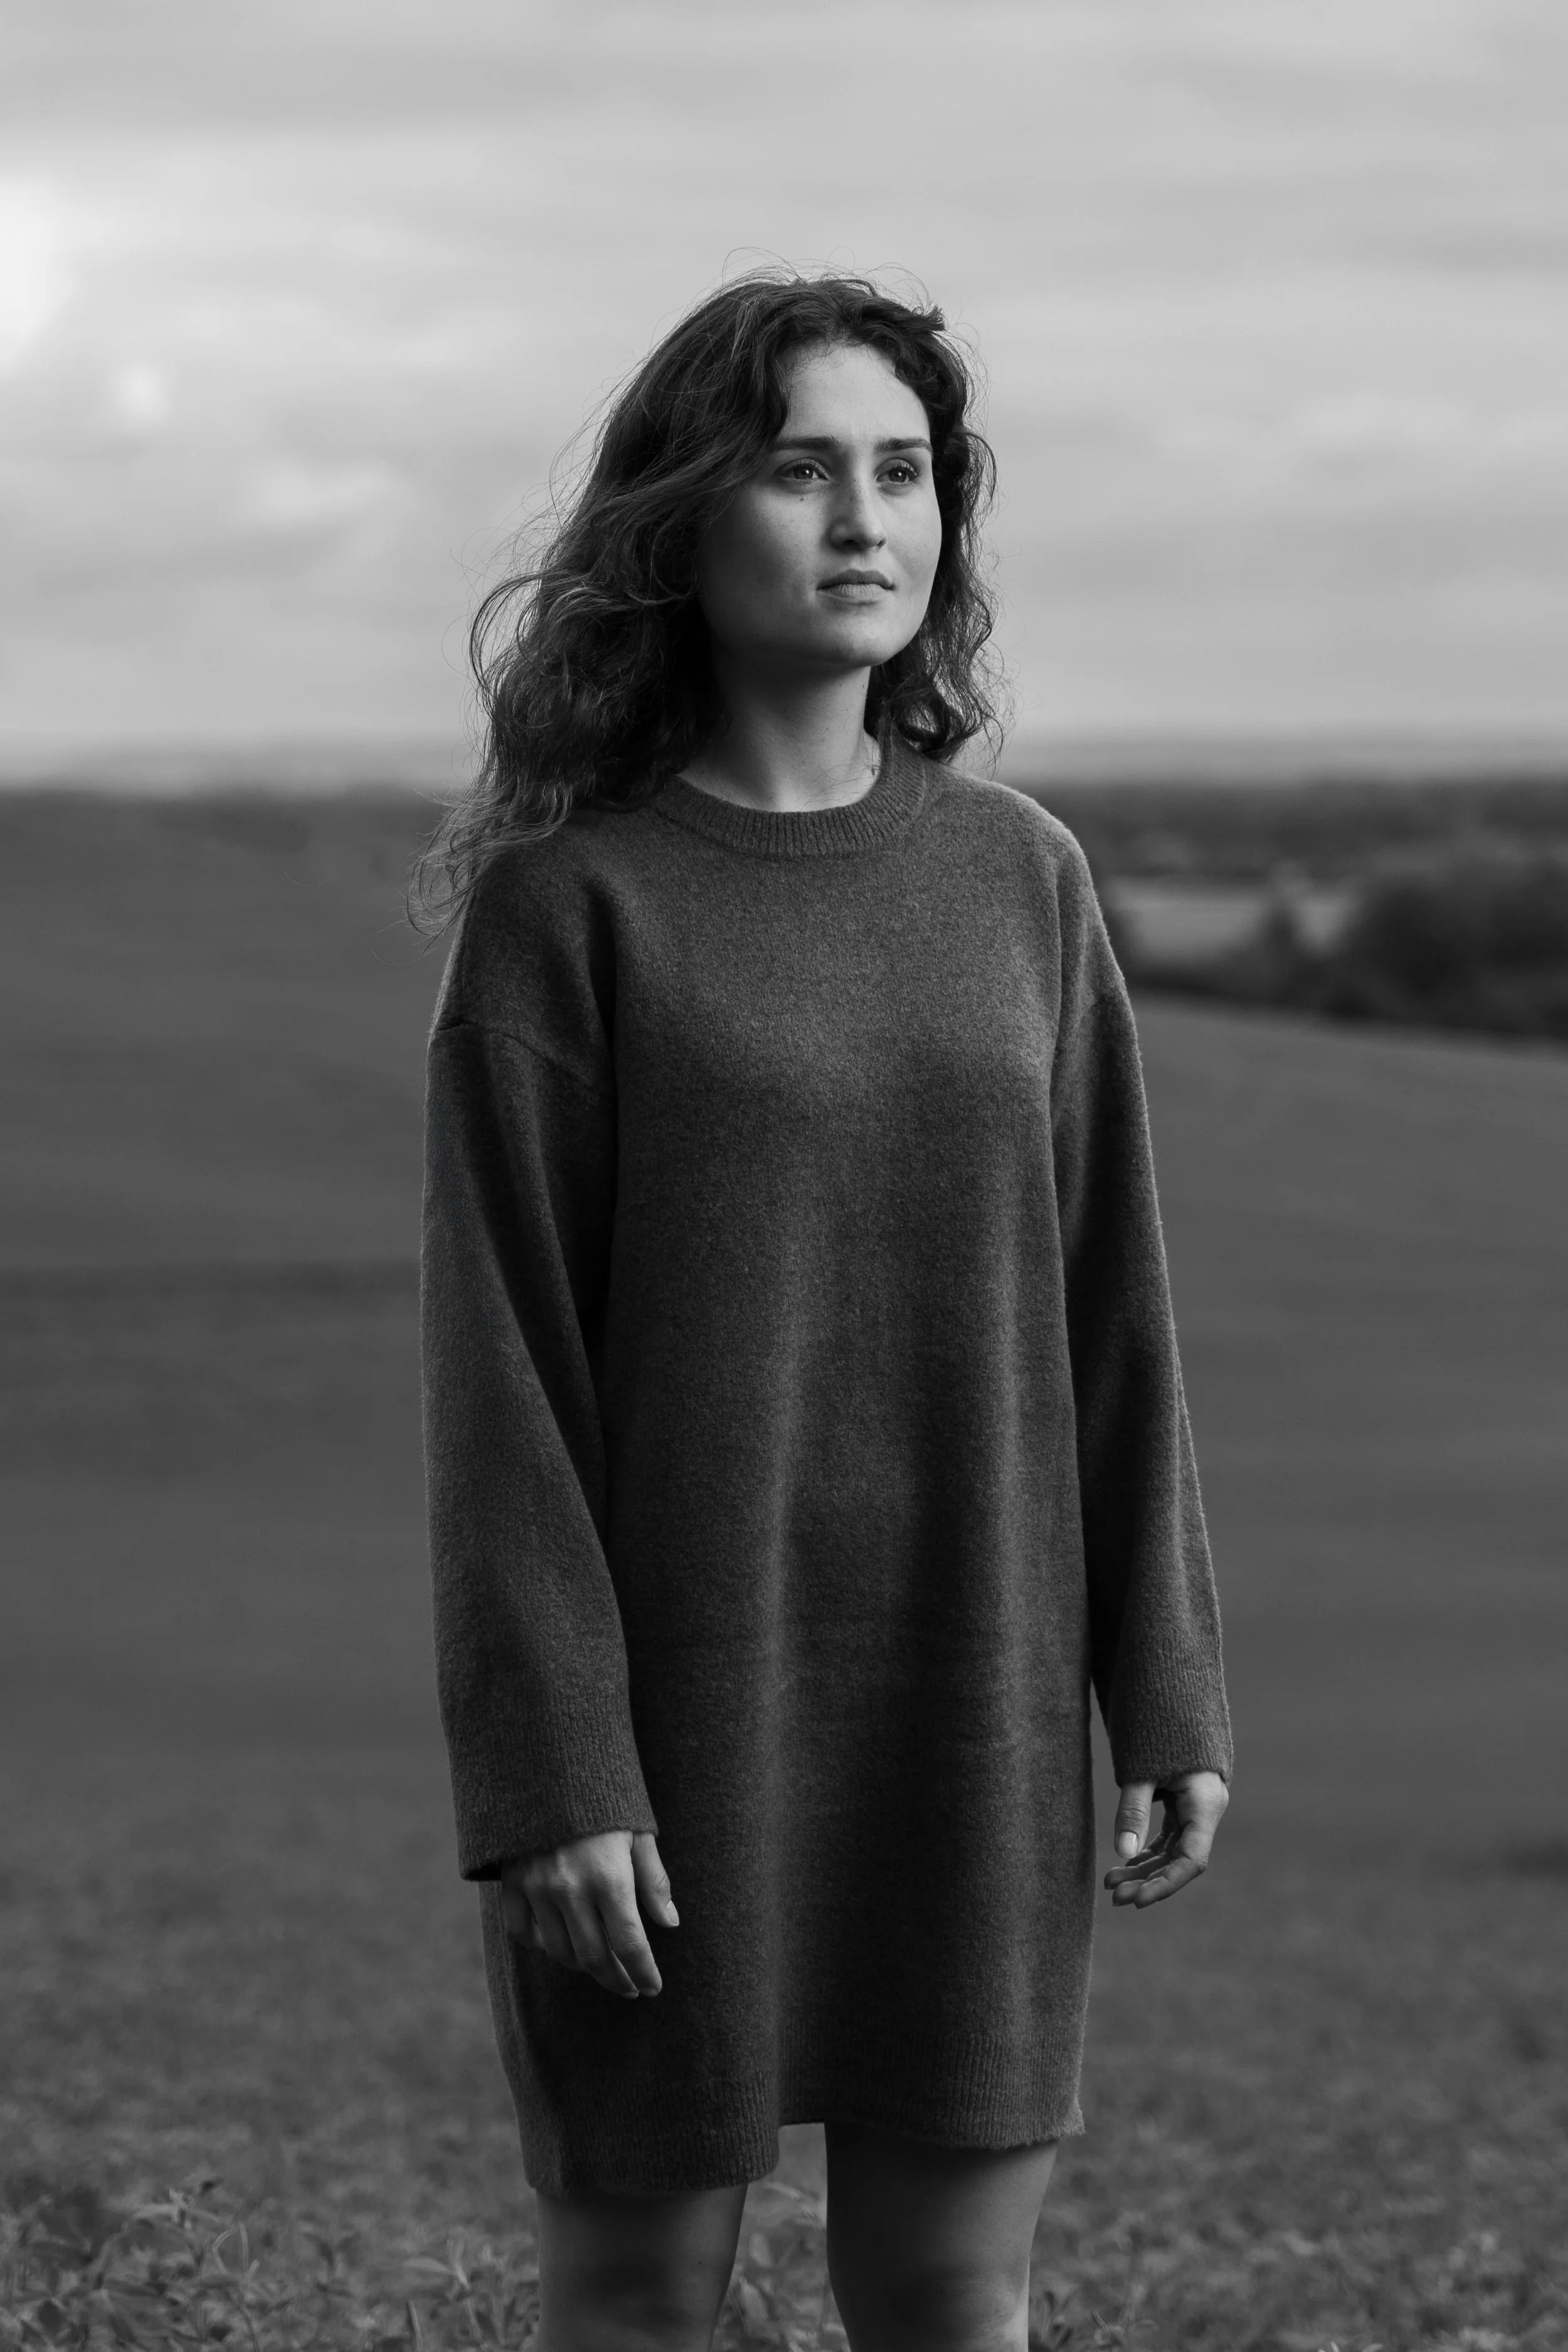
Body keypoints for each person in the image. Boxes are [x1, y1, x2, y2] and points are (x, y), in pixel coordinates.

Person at [417, 271, 1232, 2352]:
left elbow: (1110, 1299)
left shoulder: (1021, 881)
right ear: (683, 524)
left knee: (958, 2296)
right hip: (669, 1730)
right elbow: (501, 1369)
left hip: (970, 1693)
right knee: (635, 2289)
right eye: (799, 470)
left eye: (903, 471)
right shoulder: (567, 909)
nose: (864, 519)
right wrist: (552, 1771)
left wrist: (1166, 1675)